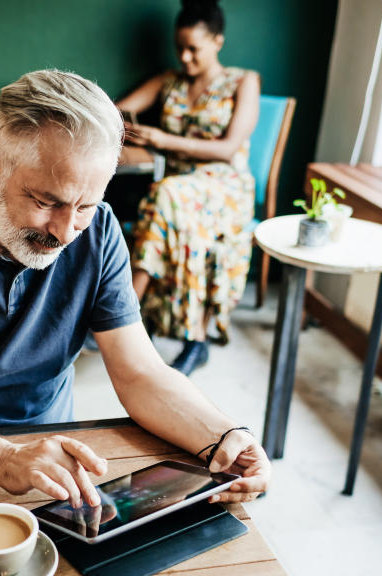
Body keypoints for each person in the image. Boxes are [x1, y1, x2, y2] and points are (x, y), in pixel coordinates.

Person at [0, 69, 270, 510]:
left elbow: (140, 373)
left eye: (85, 205)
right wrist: (4, 458)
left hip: (53, 463)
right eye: (45, 201)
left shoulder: (100, 230)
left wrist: (224, 436)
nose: (67, 231)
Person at [116, 0, 260, 375]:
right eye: (179, 46)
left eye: (194, 48)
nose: (185, 56)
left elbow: (229, 149)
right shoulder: (168, 80)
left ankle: (122, 317)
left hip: (225, 187)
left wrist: (163, 140)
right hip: (178, 190)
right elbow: (116, 111)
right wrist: (130, 131)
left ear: (218, 41)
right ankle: (186, 338)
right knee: (169, 200)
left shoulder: (244, 82)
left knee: (165, 196)